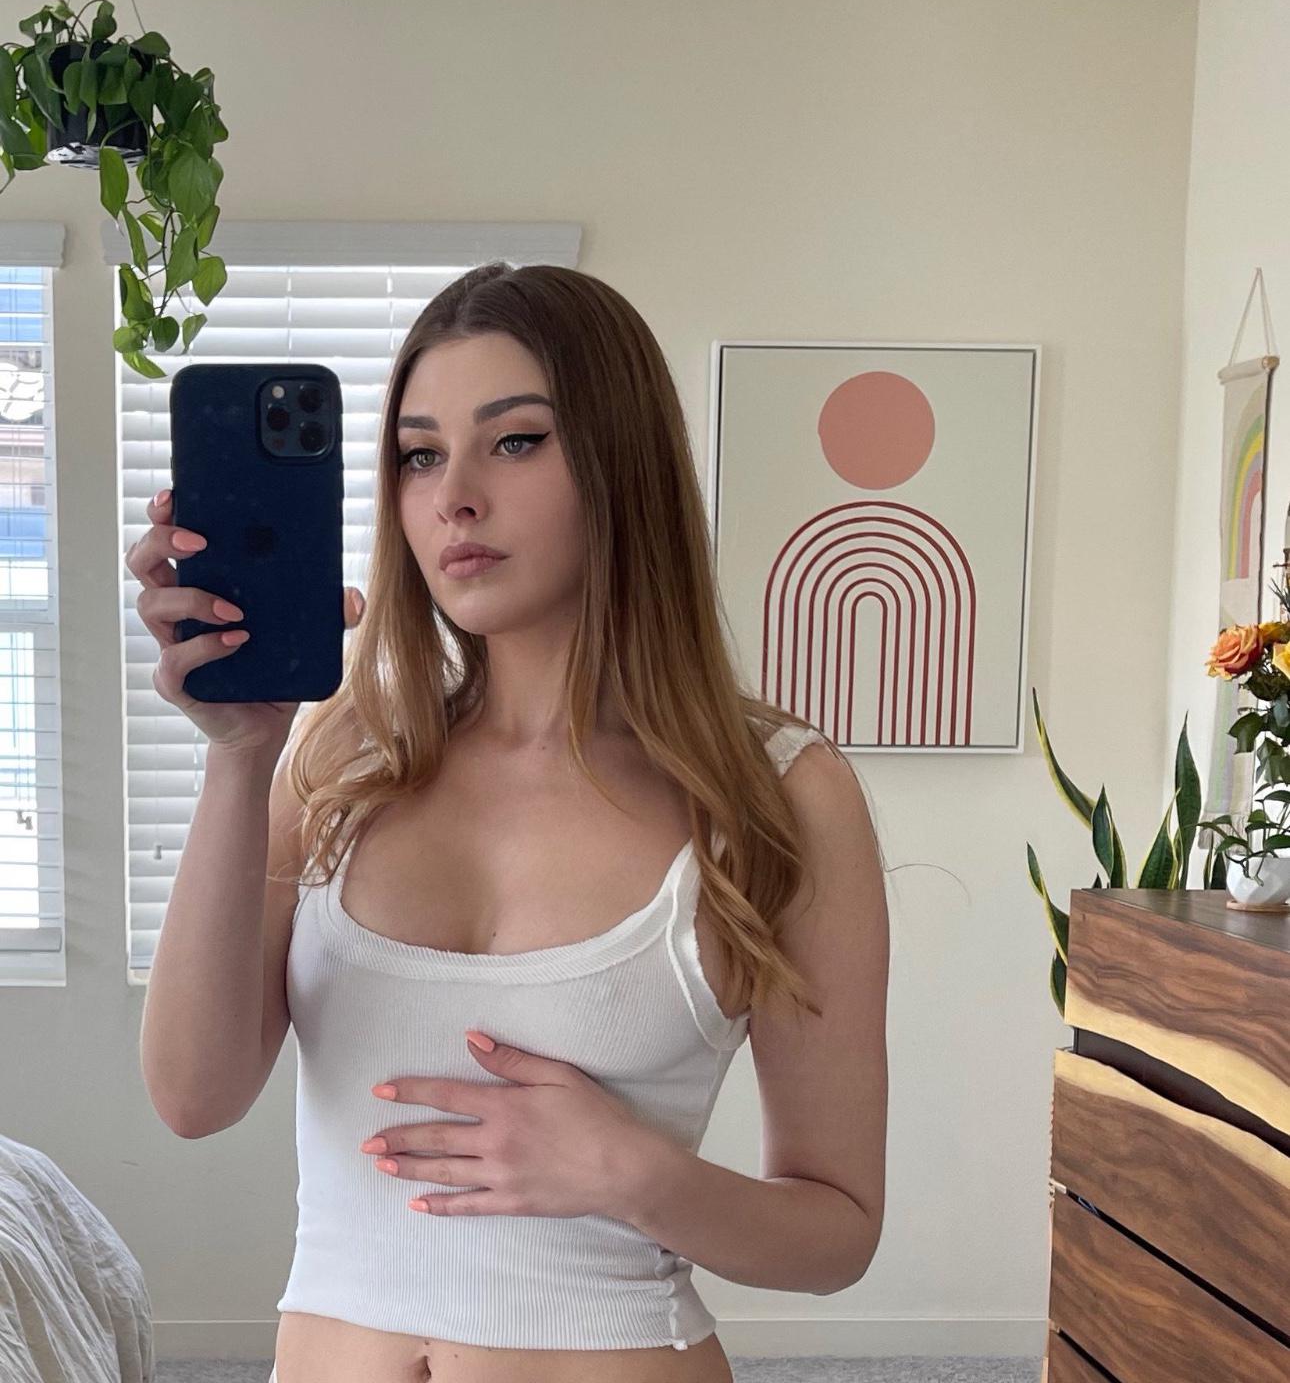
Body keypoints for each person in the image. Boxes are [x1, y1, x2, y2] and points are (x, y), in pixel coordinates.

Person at [132, 261, 890, 1383]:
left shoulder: (777, 794)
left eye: (516, 441)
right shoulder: (340, 760)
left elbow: (838, 1237)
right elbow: (193, 1098)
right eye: (419, 455)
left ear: (621, 465)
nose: (455, 497)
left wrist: (632, 1173)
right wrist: (239, 760)